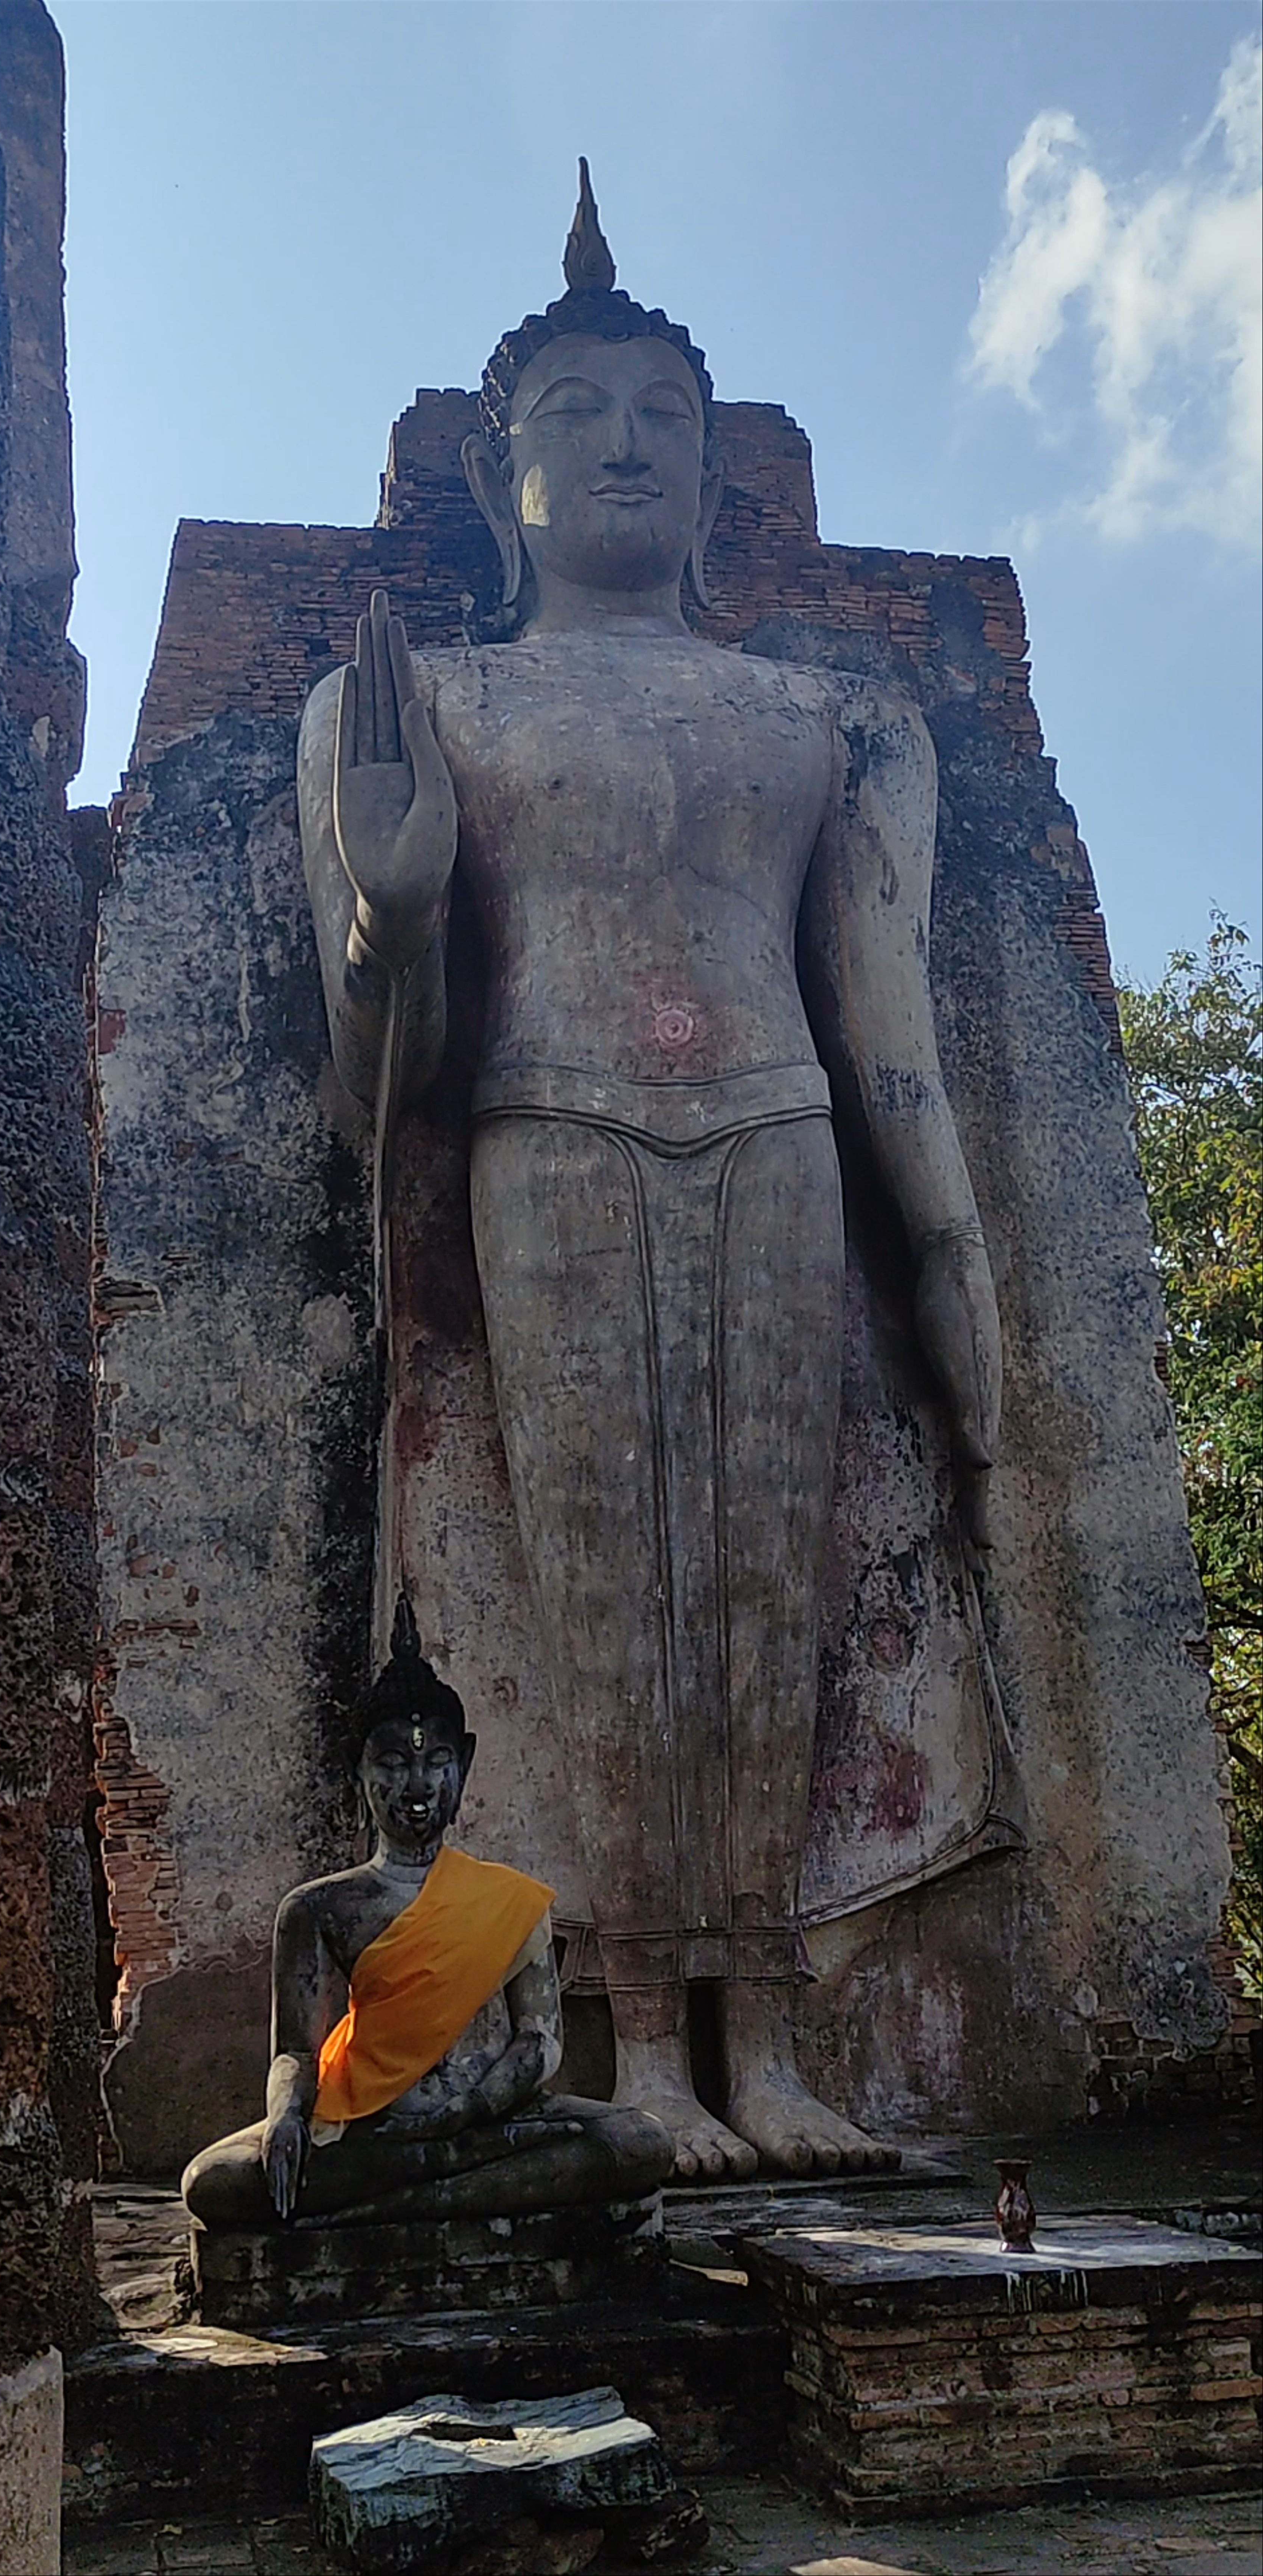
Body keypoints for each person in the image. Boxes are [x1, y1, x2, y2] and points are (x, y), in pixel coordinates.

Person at [298, 168, 1001, 2181]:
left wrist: (953, 1260)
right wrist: (389, 912)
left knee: (765, 1595)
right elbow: (378, 1086)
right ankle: (640, 2055)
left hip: (777, 1135)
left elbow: (884, 1029)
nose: (623, 445)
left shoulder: (823, 719)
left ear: (714, 477)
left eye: (663, 418)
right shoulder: (417, 702)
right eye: (575, 413)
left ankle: (767, 2041)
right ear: (494, 472)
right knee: (606, 1595)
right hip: (549, 1133)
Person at [182, 1603, 672, 2227]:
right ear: (357, 1770)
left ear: (464, 1764)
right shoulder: (319, 1908)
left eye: (436, 1760)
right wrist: (284, 2118)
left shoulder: (510, 1899)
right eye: (391, 1764)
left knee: (641, 2141)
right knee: (213, 2182)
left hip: (489, 2119)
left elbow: (539, 2041)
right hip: (372, 2125)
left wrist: (469, 2109)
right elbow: (297, 2053)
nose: (417, 1784)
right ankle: (457, 2187)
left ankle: (396, 2203)